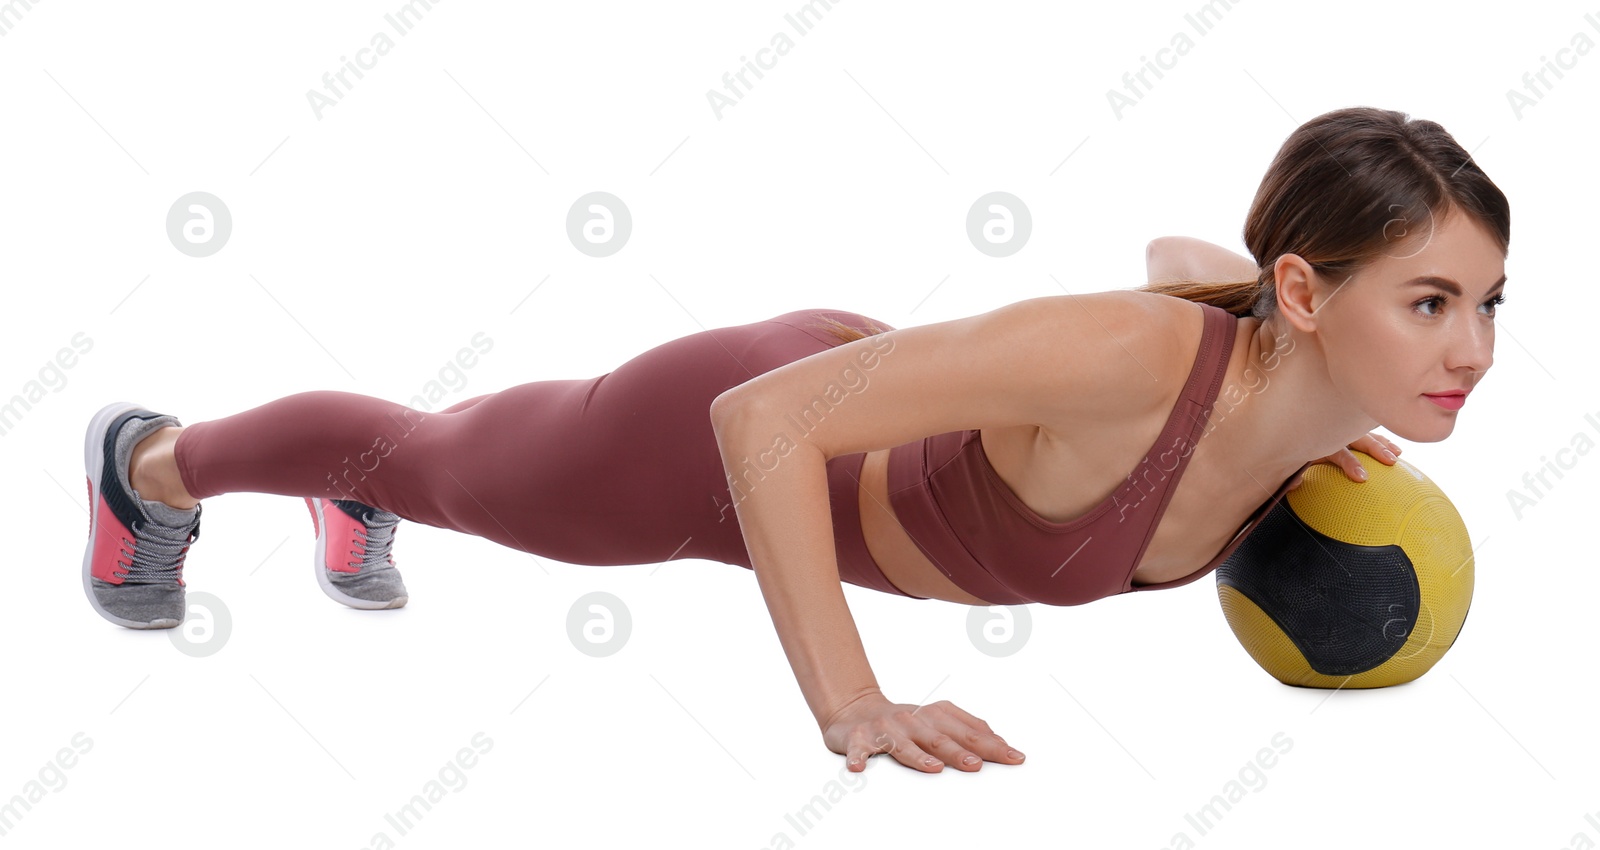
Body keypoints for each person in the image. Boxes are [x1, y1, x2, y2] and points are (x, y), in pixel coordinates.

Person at [80, 105, 1509, 774]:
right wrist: (851, 700)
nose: (1472, 350)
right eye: (1432, 301)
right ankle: (149, 463)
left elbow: (1184, 249)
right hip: (725, 443)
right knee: (439, 459)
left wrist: (1314, 426)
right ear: (1311, 294)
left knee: (428, 468)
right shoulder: (1138, 357)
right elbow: (759, 423)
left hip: (872, 402)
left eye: (1490, 302)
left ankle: (349, 504)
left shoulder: (1305, 397)